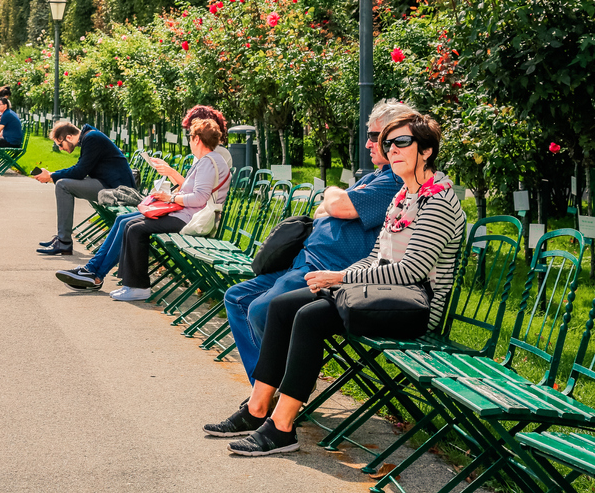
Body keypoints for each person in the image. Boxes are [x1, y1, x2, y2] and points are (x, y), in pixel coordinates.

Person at [217, 112, 465, 457]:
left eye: (402, 142)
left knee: (308, 317)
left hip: (413, 308)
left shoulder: (437, 201)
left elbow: (411, 270)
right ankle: (258, 408)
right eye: (388, 143)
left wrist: (341, 277)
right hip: (379, 294)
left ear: (426, 151)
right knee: (282, 304)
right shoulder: (403, 197)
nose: (391, 149)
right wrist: (338, 279)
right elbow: (376, 257)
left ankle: (281, 428)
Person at [210, 99, 412, 412]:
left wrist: (333, 195)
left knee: (262, 309)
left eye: (376, 137)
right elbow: (324, 209)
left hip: (327, 270)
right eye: (371, 136)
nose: (369, 144)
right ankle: (266, 392)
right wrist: (333, 200)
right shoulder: (375, 176)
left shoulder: (393, 181)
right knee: (237, 297)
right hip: (304, 262)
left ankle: (274, 398)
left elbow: (338, 205)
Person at [105, 118, 231, 301]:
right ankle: (130, 283)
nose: (189, 140)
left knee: (136, 228)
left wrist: (170, 198)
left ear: (197, 139)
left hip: (191, 219)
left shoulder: (208, 162)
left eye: (190, 136)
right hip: (187, 214)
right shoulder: (210, 160)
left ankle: (138, 287)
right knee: (131, 224)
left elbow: (199, 198)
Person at [34, 120, 139, 257]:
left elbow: (79, 171)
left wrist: (51, 176)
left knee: (63, 185)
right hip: (108, 183)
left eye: (60, 144)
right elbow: (80, 169)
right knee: (64, 182)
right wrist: (53, 175)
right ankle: (62, 239)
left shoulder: (92, 139)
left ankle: (63, 241)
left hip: (117, 190)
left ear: (69, 137)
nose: (60, 148)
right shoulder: (90, 137)